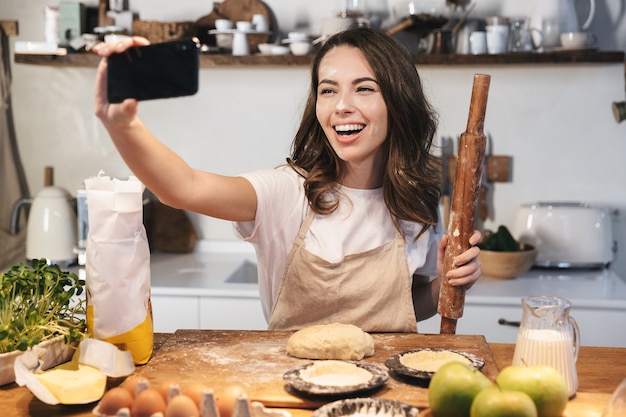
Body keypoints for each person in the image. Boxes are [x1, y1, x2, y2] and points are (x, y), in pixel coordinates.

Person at [92, 26, 481, 333]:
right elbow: (183, 187)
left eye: (364, 89)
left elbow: (404, 308)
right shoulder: (288, 193)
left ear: (399, 101)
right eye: (328, 91)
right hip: (294, 394)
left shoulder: (418, 202)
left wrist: (447, 284)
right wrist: (123, 124)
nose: (342, 105)